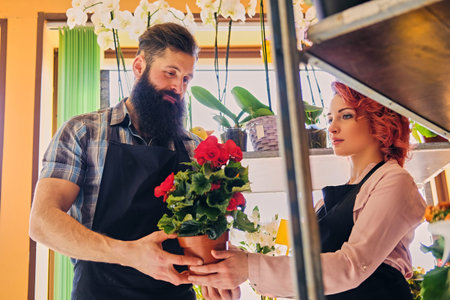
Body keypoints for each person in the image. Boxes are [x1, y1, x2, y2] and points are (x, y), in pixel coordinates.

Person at [29, 22, 238, 300]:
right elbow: (42, 222)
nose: (178, 87)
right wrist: (130, 254)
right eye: (170, 73)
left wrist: (218, 278)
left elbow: (206, 234)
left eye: (186, 79)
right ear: (139, 66)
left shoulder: (193, 149)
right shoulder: (84, 133)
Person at [187, 82, 427, 300]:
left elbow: (351, 266)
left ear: (379, 121)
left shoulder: (394, 181)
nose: (332, 128)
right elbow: (311, 277)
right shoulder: (327, 203)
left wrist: (250, 266)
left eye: (346, 116)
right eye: (330, 118)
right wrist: (233, 267)